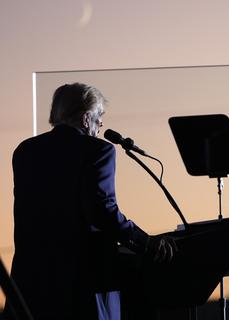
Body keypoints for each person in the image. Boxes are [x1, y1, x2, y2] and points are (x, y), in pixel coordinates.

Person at [4, 83, 176, 320]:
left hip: (30, 285)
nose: (100, 127)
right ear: (86, 118)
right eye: (99, 119)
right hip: (81, 287)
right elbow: (102, 211)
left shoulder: (25, 151)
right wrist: (146, 243)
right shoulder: (98, 151)